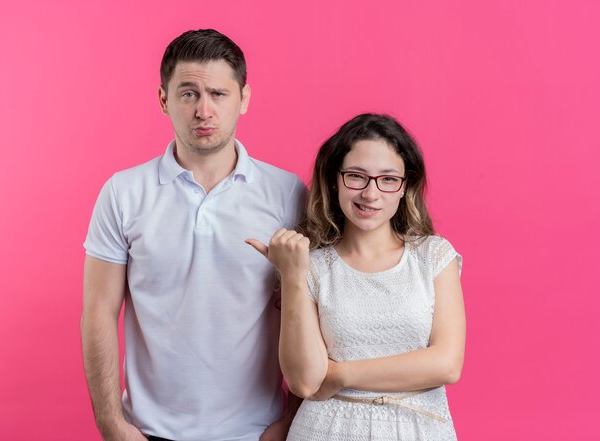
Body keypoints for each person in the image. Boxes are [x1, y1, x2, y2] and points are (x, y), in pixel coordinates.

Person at [81, 29, 306, 441]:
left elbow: (317, 315)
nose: (204, 110)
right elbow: (98, 313)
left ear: (244, 99)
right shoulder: (123, 192)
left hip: (257, 432)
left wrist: (290, 422)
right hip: (148, 431)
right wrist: (112, 425)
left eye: (219, 94)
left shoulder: (289, 194)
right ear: (163, 99)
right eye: (188, 94)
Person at [247, 113, 465, 440]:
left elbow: (447, 364)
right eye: (356, 176)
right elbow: (306, 381)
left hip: (419, 429)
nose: (370, 194)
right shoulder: (313, 266)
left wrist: (339, 374)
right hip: (324, 430)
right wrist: (292, 277)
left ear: (405, 187)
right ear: (335, 180)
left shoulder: (433, 256)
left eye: (388, 179)